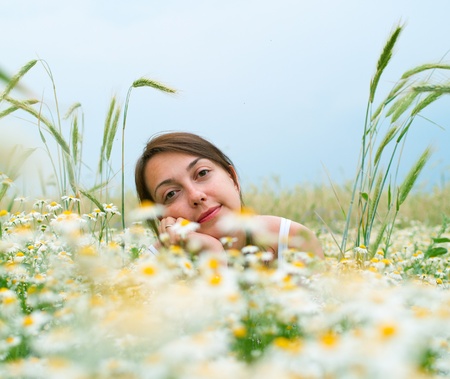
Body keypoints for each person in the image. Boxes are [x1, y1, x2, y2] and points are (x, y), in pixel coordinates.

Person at [135, 132, 324, 262]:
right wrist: (213, 256)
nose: (196, 195)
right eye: (171, 193)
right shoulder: (154, 268)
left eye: (202, 174)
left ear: (233, 178)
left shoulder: (293, 241)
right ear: (161, 217)